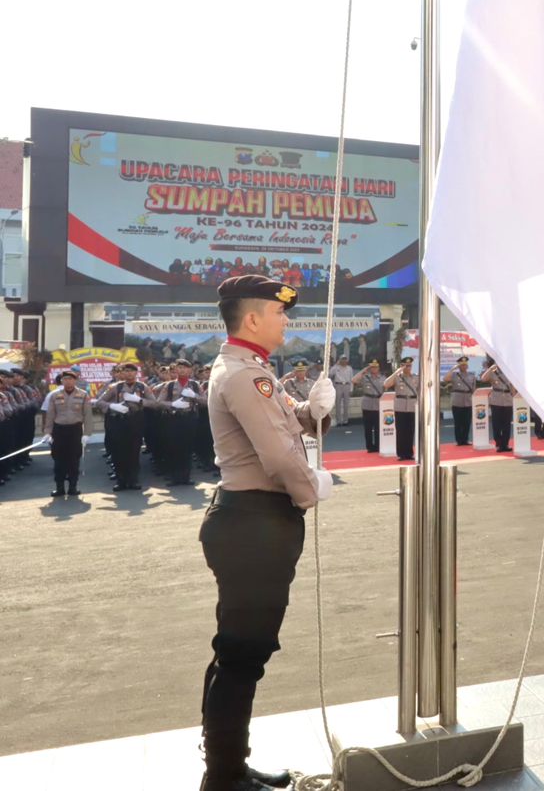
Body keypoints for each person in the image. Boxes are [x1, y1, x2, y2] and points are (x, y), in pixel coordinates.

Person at [197, 274, 335, 791]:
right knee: (241, 655)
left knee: (239, 652)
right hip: (253, 524)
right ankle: (225, 775)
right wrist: (311, 488)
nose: (286, 321)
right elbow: (277, 456)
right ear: (253, 318)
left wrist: (312, 412)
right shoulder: (244, 375)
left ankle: (228, 764)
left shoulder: (250, 369)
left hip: (252, 522)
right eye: (279, 313)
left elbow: (284, 428)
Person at [96, 362, 150, 490]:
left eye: (132, 371)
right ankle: (121, 481)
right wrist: (112, 406)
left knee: (134, 451)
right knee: (118, 452)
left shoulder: (143, 387)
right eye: (126, 371)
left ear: (136, 373)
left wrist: (140, 401)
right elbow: (100, 402)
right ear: (122, 373)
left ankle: (133, 480)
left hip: (136, 420)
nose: (129, 373)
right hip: (119, 421)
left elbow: (155, 403)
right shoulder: (115, 387)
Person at [150, 358, 203, 486]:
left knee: (187, 448)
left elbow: (206, 401)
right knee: (173, 447)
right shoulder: (169, 385)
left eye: (185, 367)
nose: (182, 370)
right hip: (173, 419)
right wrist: (173, 404)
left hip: (190, 418)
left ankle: (186, 477)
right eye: (179, 367)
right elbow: (158, 403)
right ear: (175, 369)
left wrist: (194, 396)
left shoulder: (195, 385)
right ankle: (175, 477)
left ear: (190, 370)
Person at [43, 370, 92, 498]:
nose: (68, 381)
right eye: (65, 379)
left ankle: (72, 487)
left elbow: (88, 415)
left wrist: (87, 433)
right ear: (62, 381)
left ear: (75, 380)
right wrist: (48, 432)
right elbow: (50, 415)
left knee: (73, 460)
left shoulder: (83, 394)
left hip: (75, 430)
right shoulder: (55, 395)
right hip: (59, 430)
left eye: (71, 379)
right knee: (58, 460)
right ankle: (59, 488)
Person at [385, 357, 418, 460]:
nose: (408, 368)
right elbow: (386, 384)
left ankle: (409, 453)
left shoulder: (416, 377)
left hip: (412, 406)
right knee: (401, 431)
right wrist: (397, 372)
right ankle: (401, 454)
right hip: (400, 406)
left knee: (410, 431)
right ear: (402, 366)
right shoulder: (397, 377)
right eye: (406, 366)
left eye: (410, 366)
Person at [480, 358, 514, 453]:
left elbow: (512, 386)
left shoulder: (509, 372)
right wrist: (490, 368)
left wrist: (514, 395)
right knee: (497, 424)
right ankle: (499, 444)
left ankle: (505, 444)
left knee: (507, 424)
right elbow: (483, 379)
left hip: (508, 399)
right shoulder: (492, 372)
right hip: (496, 400)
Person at [355, 360, 385, 453]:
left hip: (378, 403)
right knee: (368, 428)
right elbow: (354, 380)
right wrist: (364, 370)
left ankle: (378, 446)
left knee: (378, 427)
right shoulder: (365, 377)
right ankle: (370, 447)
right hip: (367, 404)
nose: (374, 369)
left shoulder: (383, 378)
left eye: (375, 367)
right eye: (372, 367)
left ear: (378, 368)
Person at [447, 356, 476, 447]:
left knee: (467, 422)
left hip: (468, 400)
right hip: (457, 401)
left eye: (465, 365)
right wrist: (453, 369)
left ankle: (465, 439)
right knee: (458, 422)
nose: (464, 366)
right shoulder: (454, 375)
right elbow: (445, 379)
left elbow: (474, 389)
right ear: (459, 366)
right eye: (462, 365)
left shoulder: (472, 375)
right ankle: (459, 440)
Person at [328, 355, 355, 427]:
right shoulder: (336, 368)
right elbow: (330, 374)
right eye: (342, 359)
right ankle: (339, 420)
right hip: (338, 385)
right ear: (339, 360)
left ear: (347, 361)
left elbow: (352, 379)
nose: (344, 361)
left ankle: (345, 420)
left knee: (346, 404)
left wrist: (351, 389)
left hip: (347, 385)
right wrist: (335, 365)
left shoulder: (349, 368)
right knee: (338, 404)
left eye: (345, 359)